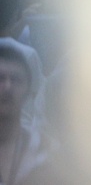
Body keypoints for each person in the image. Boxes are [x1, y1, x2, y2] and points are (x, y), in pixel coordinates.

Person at [0, 40, 50, 185]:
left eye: (16, 80)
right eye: (0, 79)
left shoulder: (43, 150)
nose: (7, 87)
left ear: (28, 91)